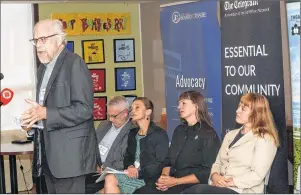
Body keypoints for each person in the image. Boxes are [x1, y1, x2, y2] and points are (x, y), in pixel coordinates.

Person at [21, 19, 98, 194]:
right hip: (48, 156)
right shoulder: (42, 69)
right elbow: (45, 112)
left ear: (59, 38)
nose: (38, 46)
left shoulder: (74, 64)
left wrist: (46, 113)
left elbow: (84, 109)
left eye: (43, 39)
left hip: (70, 158)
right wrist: (32, 123)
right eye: (35, 41)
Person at [183, 92, 279, 194]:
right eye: (239, 106)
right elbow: (218, 163)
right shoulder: (230, 135)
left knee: (198, 190)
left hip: (243, 191)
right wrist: (215, 176)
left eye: (243, 109)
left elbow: (257, 175)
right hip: (220, 187)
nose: (237, 111)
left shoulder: (265, 139)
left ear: (256, 113)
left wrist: (229, 182)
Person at [136, 90, 221, 194]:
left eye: (183, 103)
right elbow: (168, 160)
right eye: (179, 103)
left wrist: (176, 182)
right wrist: (164, 178)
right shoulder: (179, 130)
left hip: (192, 186)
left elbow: (208, 172)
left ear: (196, 106)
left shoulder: (208, 134)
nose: (179, 107)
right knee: (141, 192)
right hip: (173, 181)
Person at [103, 97, 169, 194]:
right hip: (132, 174)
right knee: (109, 178)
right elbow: (128, 156)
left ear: (148, 112)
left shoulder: (159, 134)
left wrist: (139, 172)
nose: (133, 111)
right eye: (132, 108)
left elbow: (161, 162)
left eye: (137, 108)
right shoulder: (133, 133)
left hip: (148, 179)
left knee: (107, 185)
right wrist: (130, 166)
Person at [85, 96, 135, 194]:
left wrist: (105, 167)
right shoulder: (104, 125)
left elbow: (128, 160)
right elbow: (91, 146)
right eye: (109, 115)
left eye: (114, 116)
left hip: (110, 174)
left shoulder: (133, 131)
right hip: (92, 169)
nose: (111, 119)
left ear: (125, 113)